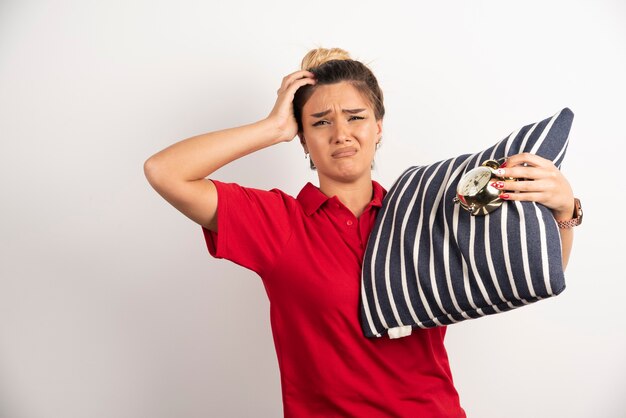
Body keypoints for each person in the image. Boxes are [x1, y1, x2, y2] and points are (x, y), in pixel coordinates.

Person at [144, 47, 576, 417]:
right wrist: (271, 127)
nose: (341, 134)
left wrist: (563, 211)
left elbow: (532, 274)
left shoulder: (423, 209)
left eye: (355, 117)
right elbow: (165, 172)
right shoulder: (277, 222)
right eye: (320, 122)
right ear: (302, 138)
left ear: (378, 127)